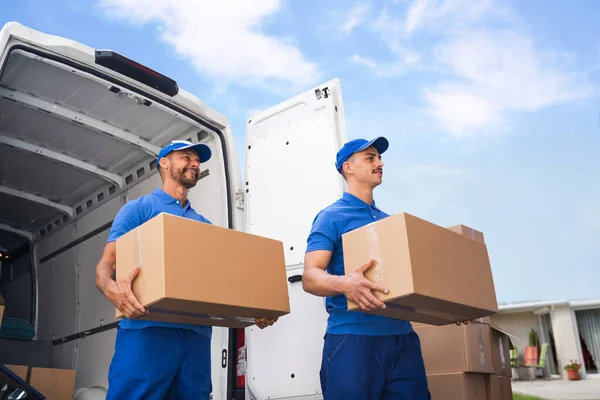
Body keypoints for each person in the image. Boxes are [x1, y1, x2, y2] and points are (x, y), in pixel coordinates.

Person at [95, 140, 277, 400]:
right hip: (147, 329)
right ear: (164, 163)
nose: (194, 163)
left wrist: (256, 310)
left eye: (197, 160)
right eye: (186, 156)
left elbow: (227, 282)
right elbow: (106, 263)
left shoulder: (204, 226)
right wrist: (111, 289)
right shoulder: (139, 209)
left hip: (196, 334)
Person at [302, 137, 471, 399]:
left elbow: (415, 280)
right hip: (353, 339)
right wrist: (345, 284)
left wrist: (451, 308)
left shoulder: (390, 223)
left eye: (379, 158)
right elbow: (310, 277)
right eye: (370, 158)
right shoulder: (331, 217)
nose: (379, 163)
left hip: (402, 340)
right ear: (348, 167)